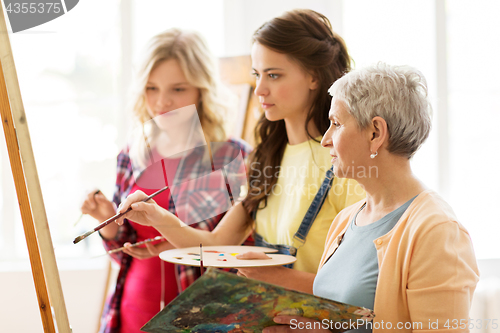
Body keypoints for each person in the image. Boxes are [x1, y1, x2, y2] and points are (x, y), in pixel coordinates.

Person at [116, 9, 364, 291]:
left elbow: (363, 288)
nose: (259, 89)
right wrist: (157, 216)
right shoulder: (266, 158)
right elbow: (217, 246)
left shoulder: (344, 161)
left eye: (273, 75)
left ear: (314, 78)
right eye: (257, 75)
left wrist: (280, 278)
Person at [263, 63, 480, 333]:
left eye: (336, 124)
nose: (326, 140)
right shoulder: (345, 221)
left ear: (375, 133)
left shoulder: (437, 231)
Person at [80, 28, 251, 333]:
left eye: (178, 89)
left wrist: (166, 240)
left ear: (202, 89)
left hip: (203, 317)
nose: (162, 102)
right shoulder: (131, 156)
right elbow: (125, 251)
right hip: (131, 312)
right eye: (151, 88)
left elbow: (235, 253)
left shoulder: (230, 157)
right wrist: (107, 221)